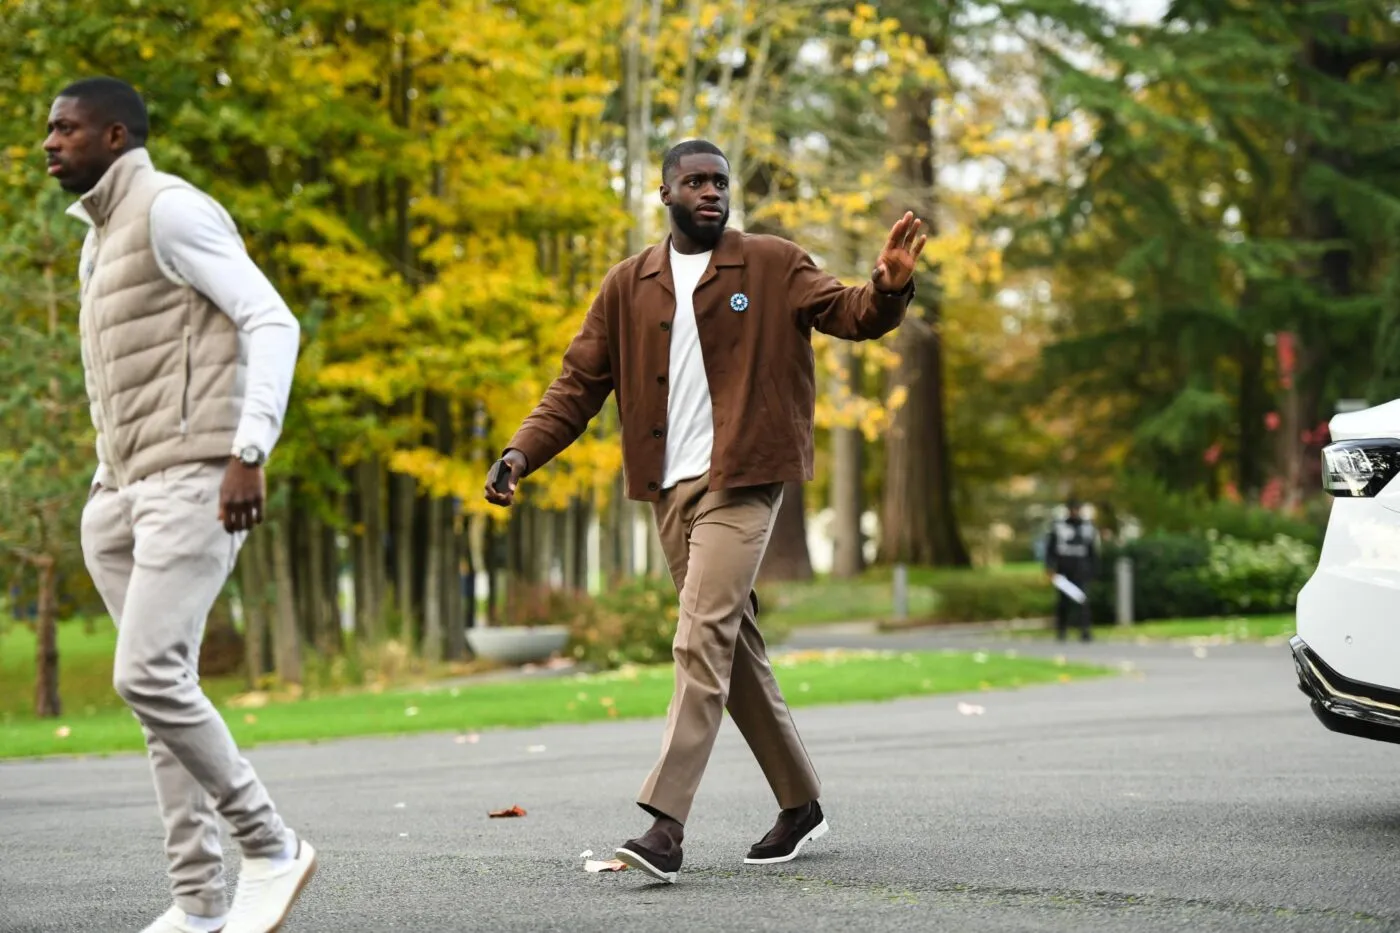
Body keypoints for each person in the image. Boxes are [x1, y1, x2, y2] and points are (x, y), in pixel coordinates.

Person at [485, 139, 924, 882]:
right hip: (669, 490)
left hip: (747, 479)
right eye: (695, 181)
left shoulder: (773, 263)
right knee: (734, 645)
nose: (712, 192)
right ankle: (800, 800)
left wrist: (887, 291)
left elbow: (847, 312)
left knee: (701, 634)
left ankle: (665, 824)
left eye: (720, 181)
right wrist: (521, 452)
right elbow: (576, 387)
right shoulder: (629, 284)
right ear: (665, 194)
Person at [44, 77, 315, 933]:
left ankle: (271, 844)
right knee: (161, 692)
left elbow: (272, 322)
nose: (49, 143)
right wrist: (104, 482)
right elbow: (131, 376)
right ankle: (198, 899)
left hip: (196, 481)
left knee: (145, 673)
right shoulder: (98, 239)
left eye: (66, 129)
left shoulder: (169, 210)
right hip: (121, 495)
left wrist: (248, 450)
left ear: (114, 134)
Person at [1044, 497, 1100, 642]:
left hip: (1081, 568)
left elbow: (1092, 551)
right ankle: (1062, 630)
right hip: (1063, 568)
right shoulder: (1058, 527)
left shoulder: (1088, 527)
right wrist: (1049, 567)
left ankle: (1085, 630)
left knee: (1082, 600)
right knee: (1063, 601)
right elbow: (1050, 549)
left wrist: (1093, 570)